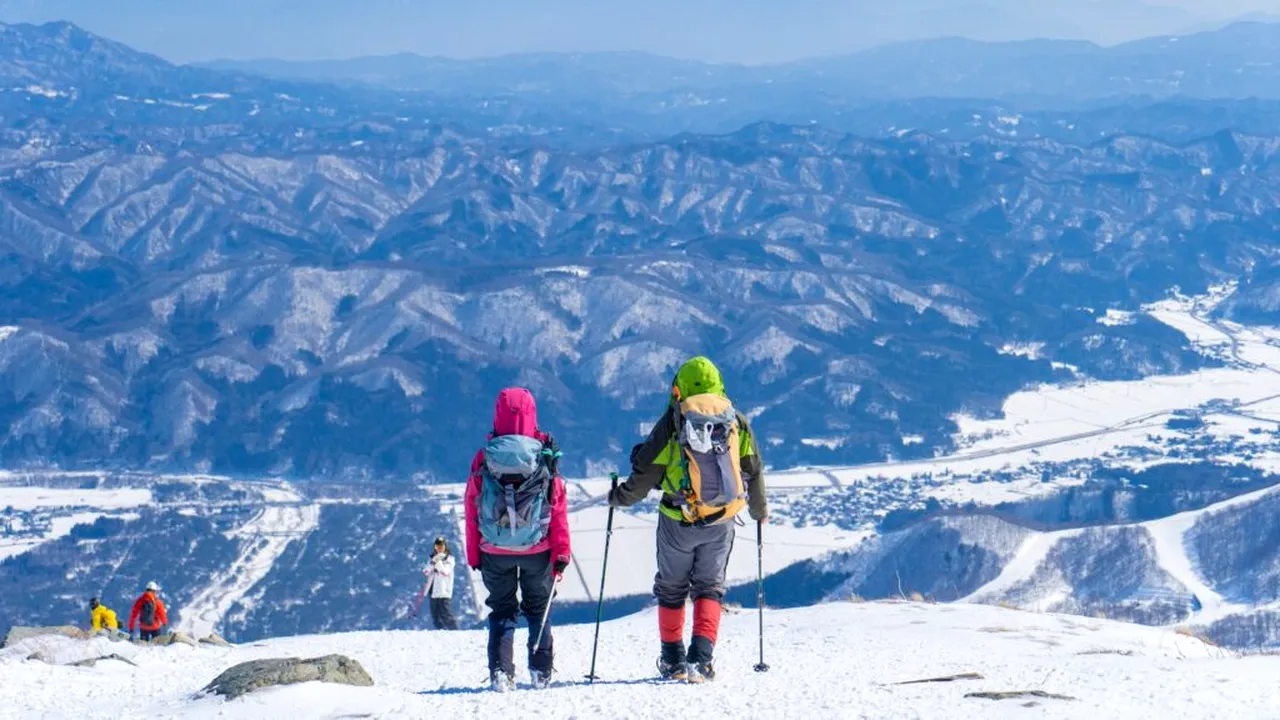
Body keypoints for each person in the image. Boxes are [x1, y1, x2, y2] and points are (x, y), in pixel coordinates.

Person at [608, 356, 768, 682]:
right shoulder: (735, 421)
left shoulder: (673, 422)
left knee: (671, 589)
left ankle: (673, 661)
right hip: (721, 520)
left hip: (676, 519)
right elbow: (753, 469)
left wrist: (618, 497)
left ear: (679, 387)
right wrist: (759, 511)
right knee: (709, 588)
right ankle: (701, 662)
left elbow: (644, 474)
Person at [464, 387, 571, 691]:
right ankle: (541, 671)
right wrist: (561, 553)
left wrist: (474, 554)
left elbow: (471, 506)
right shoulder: (544, 455)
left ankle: (501, 672)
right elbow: (558, 506)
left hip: (493, 549)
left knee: (502, 610)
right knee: (539, 608)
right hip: (538, 548)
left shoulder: (484, 458)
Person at [423, 536, 458, 630]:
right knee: (435, 615)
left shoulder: (449, 559)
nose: (439, 549)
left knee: (445, 613)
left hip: (444, 591)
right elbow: (426, 571)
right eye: (437, 547)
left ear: (445, 547)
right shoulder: (432, 559)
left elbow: (445, 571)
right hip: (433, 591)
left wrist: (438, 562)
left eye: (441, 546)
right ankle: (441, 632)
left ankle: (454, 631)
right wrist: (433, 562)